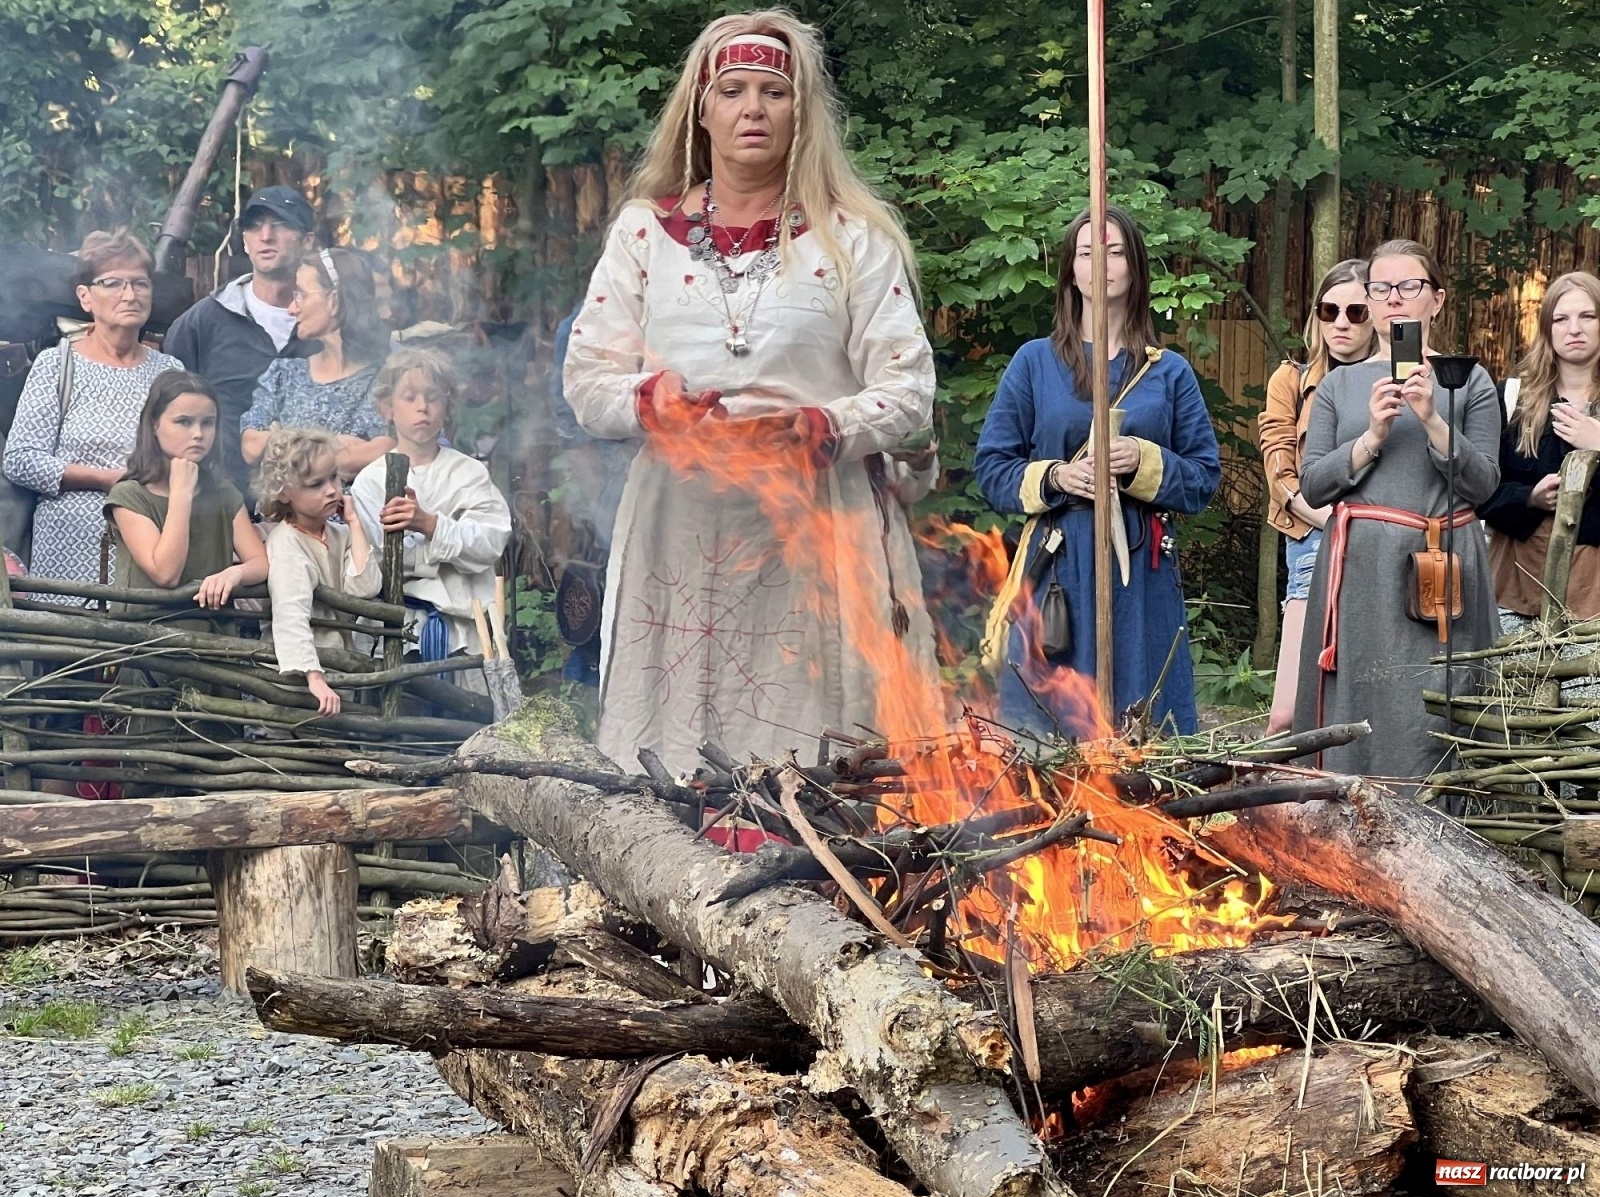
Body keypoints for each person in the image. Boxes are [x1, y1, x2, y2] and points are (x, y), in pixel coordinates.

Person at [563, 11, 939, 774]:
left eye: (774, 92)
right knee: (677, 755)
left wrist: (822, 425)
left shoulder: (853, 237)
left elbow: (910, 387)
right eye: (733, 91)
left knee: (819, 749)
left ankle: (821, 880)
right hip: (681, 524)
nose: (753, 109)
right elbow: (586, 382)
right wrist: (649, 402)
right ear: (701, 109)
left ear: (801, 112)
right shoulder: (643, 233)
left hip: (815, 521)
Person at [974, 206, 1221, 737]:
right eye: (1088, 252)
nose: (1101, 263)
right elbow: (992, 468)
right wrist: (1058, 478)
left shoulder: (1167, 371)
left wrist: (1142, 462)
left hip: (1142, 575)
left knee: (1146, 734)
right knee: (1044, 740)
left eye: (1114, 251)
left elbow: (1203, 477)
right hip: (1060, 571)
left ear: (1134, 266)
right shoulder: (1035, 363)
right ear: (1071, 271)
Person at [1293, 239, 1501, 785]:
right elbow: (1312, 486)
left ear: (1436, 300)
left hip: (1443, 564)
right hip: (1361, 569)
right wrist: (1373, 435)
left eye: (1410, 287)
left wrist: (1433, 419)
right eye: (1381, 288)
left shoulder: (1467, 378)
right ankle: (1342, 835)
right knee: (1358, 701)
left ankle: (1445, 836)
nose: (1395, 299)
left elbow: (1485, 486)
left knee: (1432, 707)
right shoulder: (1338, 383)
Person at [2, 229, 182, 592]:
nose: (129, 295)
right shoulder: (57, 364)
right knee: (71, 647)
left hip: (151, 550)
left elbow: (191, 456)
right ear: (85, 296)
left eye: (140, 284)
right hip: (67, 553)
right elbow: (19, 459)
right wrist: (103, 479)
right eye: (113, 283)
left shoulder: (171, 372)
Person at [1257, 260, 1379, 733]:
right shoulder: (1291, 380)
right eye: (1330, 310)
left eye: (1356, 311)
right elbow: (1280, 471)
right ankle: (1271, 802)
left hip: (1382, 542)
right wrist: (1332, 520)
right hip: (1314, 537)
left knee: (1364, 696)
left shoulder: (1397, 381)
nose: (1342, 322)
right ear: (1316, 316)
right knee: (1288, 710)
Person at [352, 348, 511, 664]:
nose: (422, 407)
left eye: (433, 397)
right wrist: (440, 552)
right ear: (388, 408)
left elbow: (491, 543)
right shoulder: (371, 482)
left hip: (464, 635)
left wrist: (430, 525)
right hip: (397, 635)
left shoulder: (469, 473)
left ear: (447, 406)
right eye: (409, 397)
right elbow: (377, 566)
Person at [163, 186, 316, 495]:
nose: (266, 236)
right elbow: (167, 415)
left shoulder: (326, 328)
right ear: (245, 241)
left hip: (315, 504)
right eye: (255, 226)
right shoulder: (202, 322)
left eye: (281, 224)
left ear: (308, 241)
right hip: (222, 503)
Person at [1482, 272, 1600, 630]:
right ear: (1547, 328)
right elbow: (1479, 491)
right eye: (1561, 319)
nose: (1574, 329)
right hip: (1518, 588)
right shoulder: (1511, 397)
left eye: (1588, 316)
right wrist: (1529, 498)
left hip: (1594, 597)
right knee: (1514, 685)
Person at [106, 370, 267, 603]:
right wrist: (181, 492)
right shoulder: (130, 495)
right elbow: (166, 573)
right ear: (153, 424)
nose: (198, 434)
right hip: (146, 633)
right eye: (184, 422)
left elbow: (260, 562)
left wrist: (235, 573)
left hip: (213, 634)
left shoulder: (224, 494)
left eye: (208, 423)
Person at [255, 428, 381, 715]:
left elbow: (365, 589)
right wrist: (314, 676)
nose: (331, 490)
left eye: (334, 477)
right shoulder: (287, 543)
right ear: (284, 493)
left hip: (335, 673)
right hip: (297, 685)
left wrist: (355, 524)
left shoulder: (338, 534)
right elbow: (291, 611)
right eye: (315, 484)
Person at [240, 248, 393, 481]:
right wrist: (337, 445)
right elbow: (251, 449)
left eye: (301, 294)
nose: (292, 308)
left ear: (334, 300)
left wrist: (280, 438)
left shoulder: (385, 381)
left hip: (354, 516)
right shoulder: (284, 374)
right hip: (284, 517)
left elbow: (387, 453)